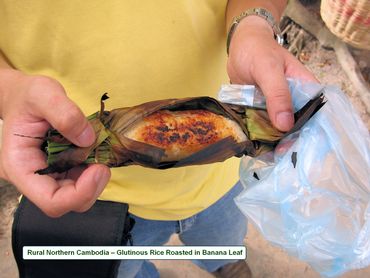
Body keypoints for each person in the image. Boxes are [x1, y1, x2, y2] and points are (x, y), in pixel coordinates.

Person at [0, 0, 316, 277]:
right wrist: (8, 90)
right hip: (97, 198)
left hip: (221, 178)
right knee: (124, 269)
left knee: (223, 240)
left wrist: (252, 26)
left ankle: (221, 261)